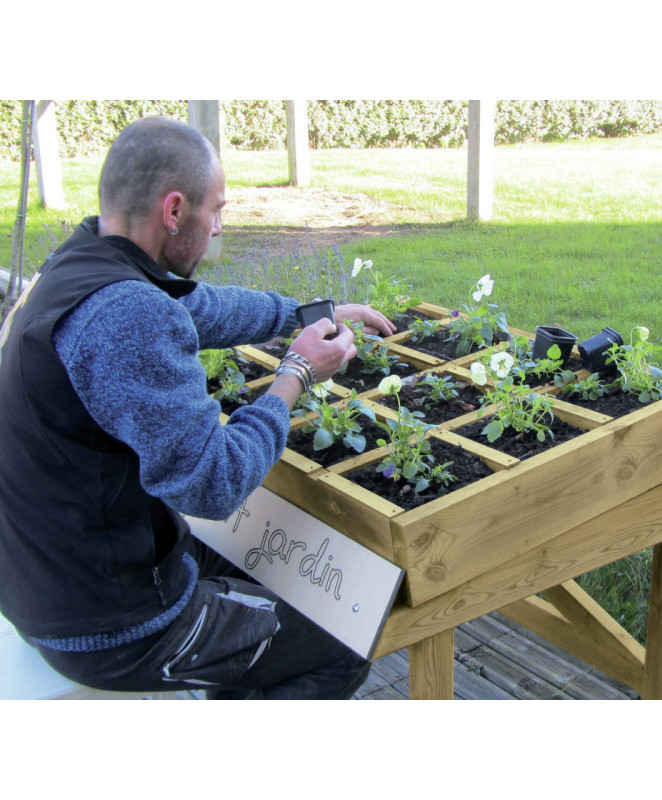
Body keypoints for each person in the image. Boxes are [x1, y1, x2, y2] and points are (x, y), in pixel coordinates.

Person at [0, 116, 396, 699]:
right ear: (175, 210)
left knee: (265, 575)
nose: (217, 227)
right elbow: (213, 485)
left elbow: (200, 308)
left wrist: (309, 313)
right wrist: (297, 373)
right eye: (217, 210)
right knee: (343, 642)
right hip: (111, 624)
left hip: (53, 574)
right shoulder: (125, 316)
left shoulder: (83, 263)